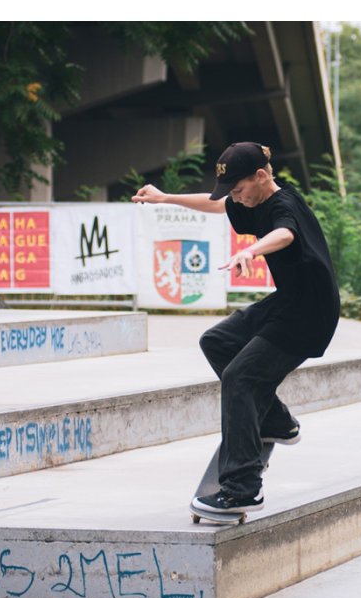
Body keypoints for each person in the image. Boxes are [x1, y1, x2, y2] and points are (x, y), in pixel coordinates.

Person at [132, 142, 340, 515]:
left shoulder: (282, 205)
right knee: (217, 341)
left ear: (261, 177)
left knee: (240, 378)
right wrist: (165, 198)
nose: (237, 200)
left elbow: (286, 234)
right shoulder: (251, 200)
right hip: (290, 302)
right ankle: (276, 420)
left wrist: (252, 251)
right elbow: (216, 204)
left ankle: (244, 488)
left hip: (310, 315)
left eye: (240, 190)